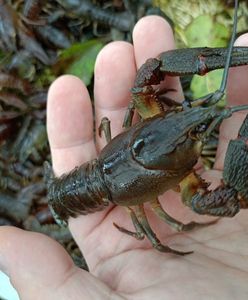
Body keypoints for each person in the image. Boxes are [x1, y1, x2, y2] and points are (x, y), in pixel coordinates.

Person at [0, 16, 248, 300]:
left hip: (110, 171)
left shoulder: (146, 110)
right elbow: (227, 201)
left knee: (151, 72)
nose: (185, 108)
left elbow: (149, 74)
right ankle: (59, 203)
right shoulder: (186, 186)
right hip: (81, 193)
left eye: (184, 108)